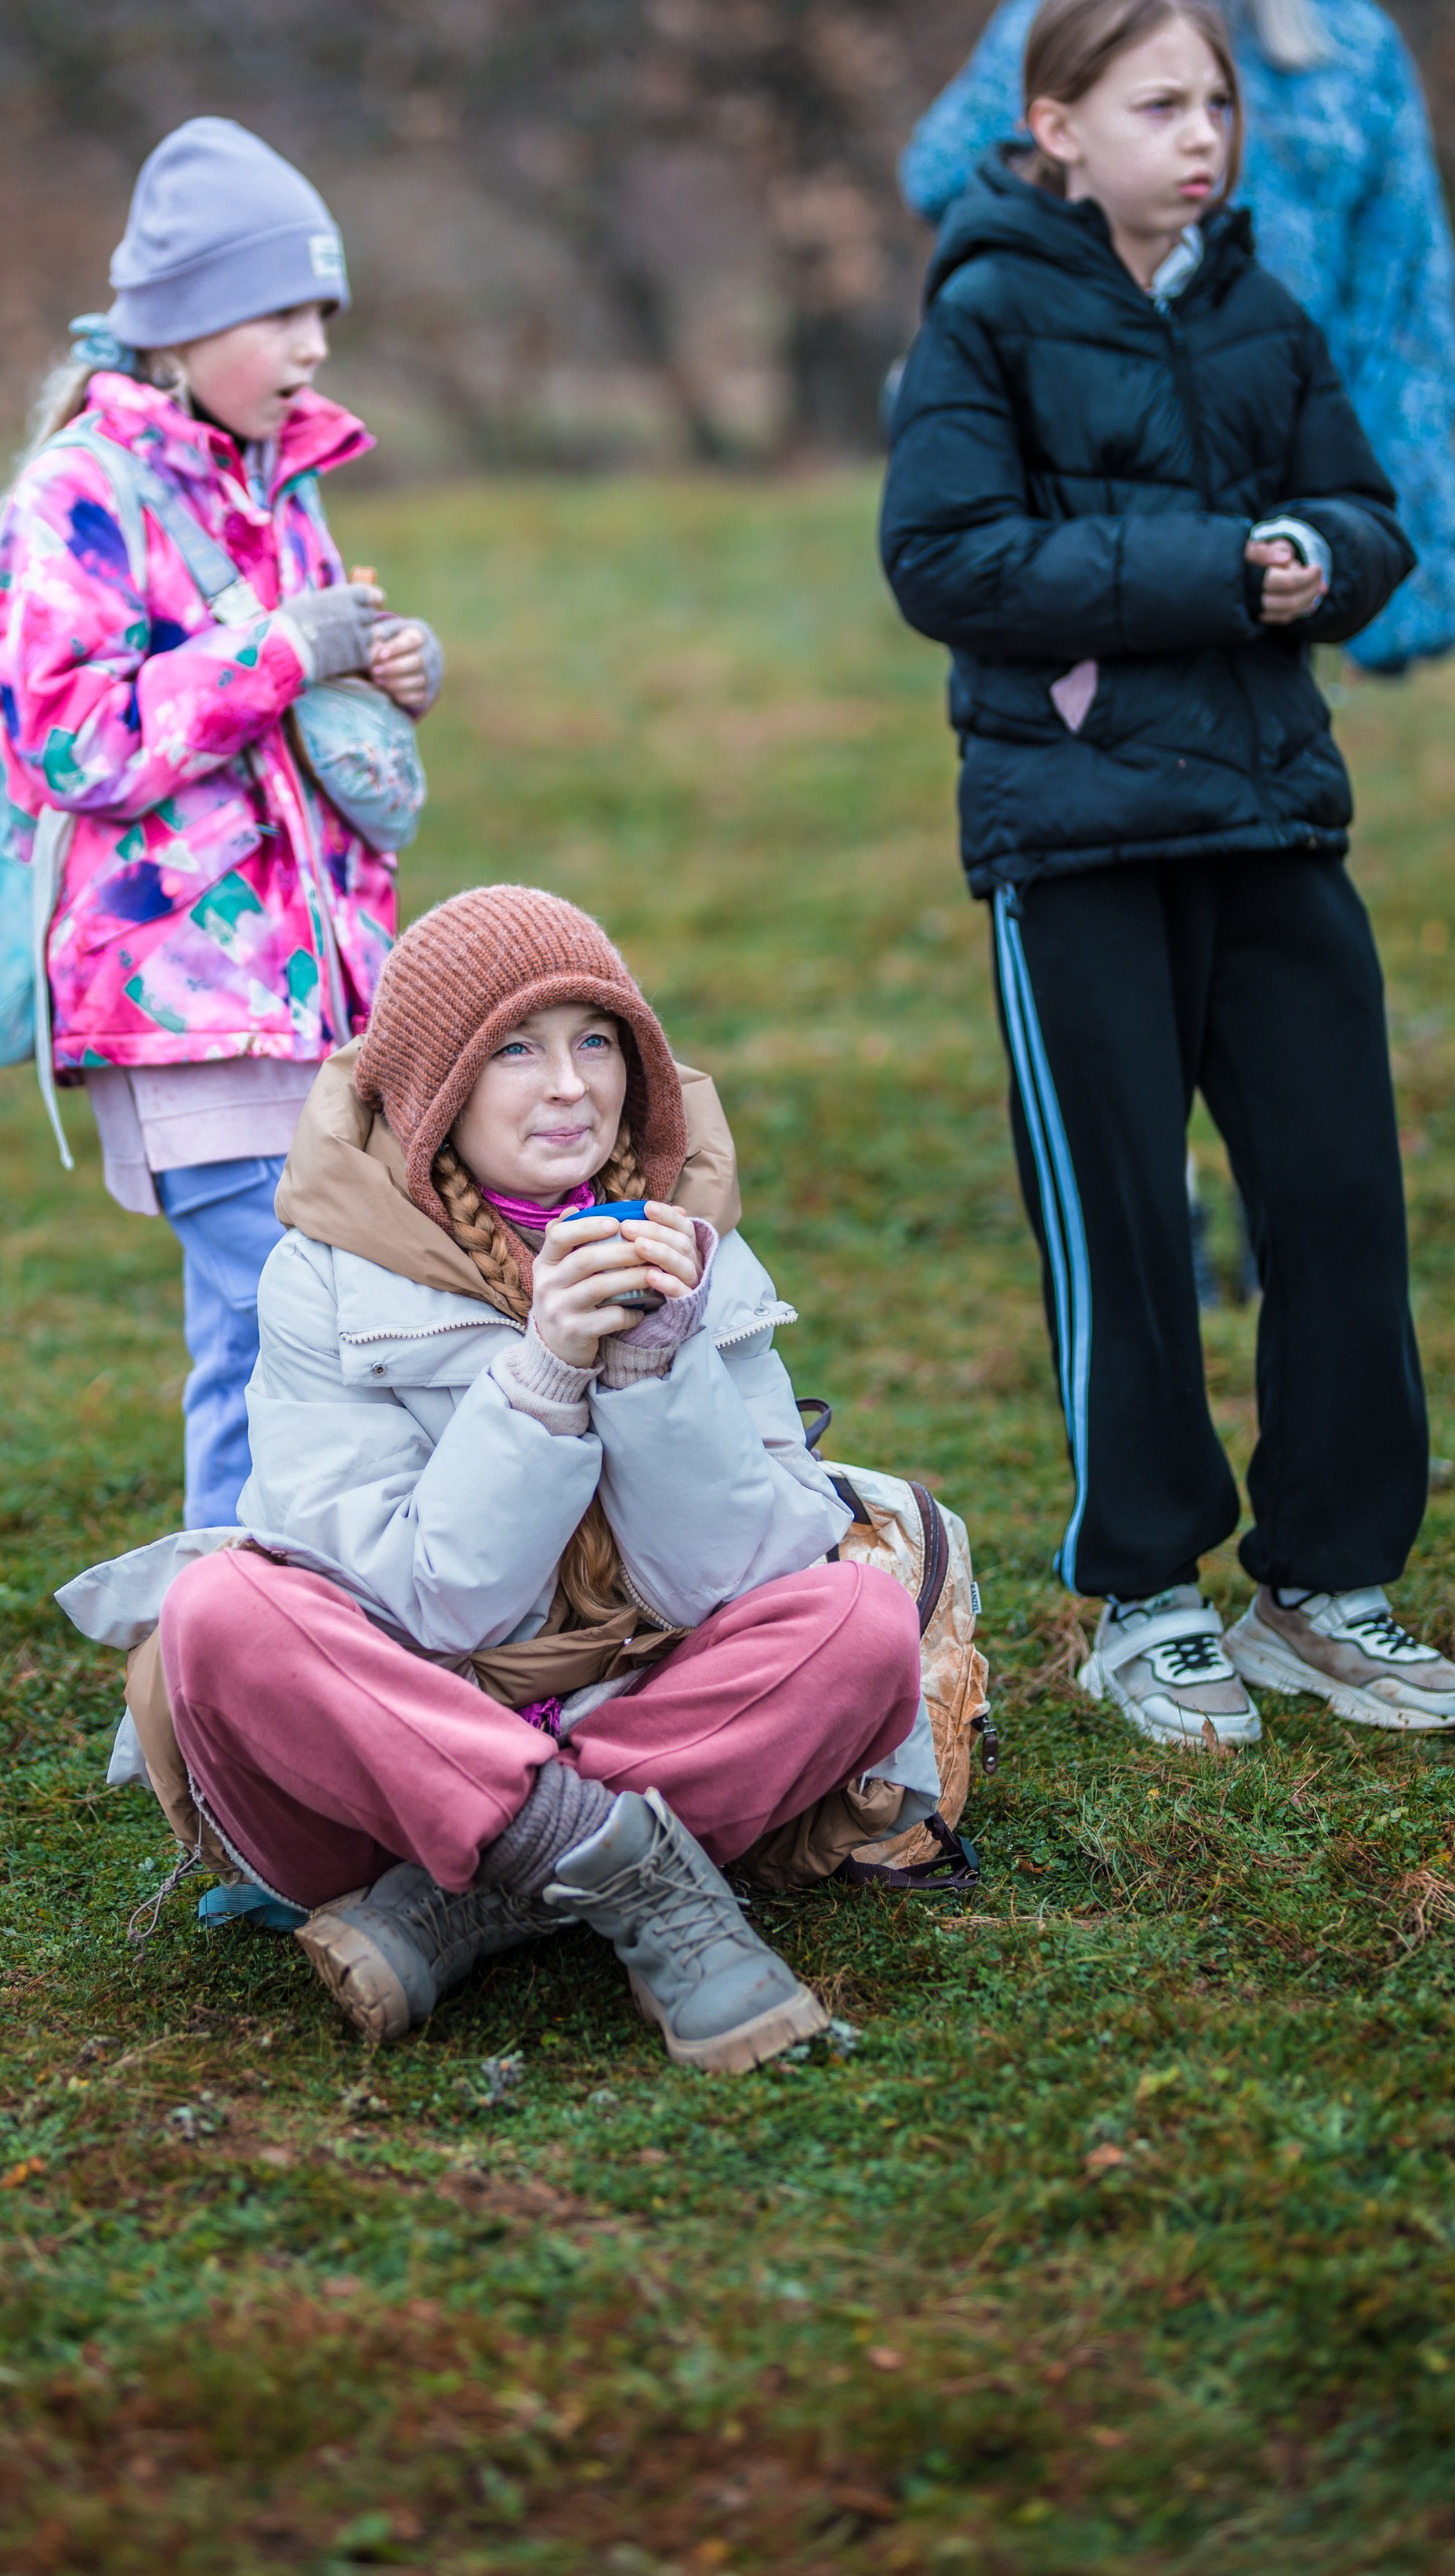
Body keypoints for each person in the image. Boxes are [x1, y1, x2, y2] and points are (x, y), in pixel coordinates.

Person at [879, 0, 1455, 1748]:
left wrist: (1312, 546)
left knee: (1333, 1200)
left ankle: (1323, 1585)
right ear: (1056, 130)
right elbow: (944, 562)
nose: (1202, 137)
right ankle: (1144, 1597)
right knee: (1123, 1228)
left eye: (1213, 104)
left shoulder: (1263, 312)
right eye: (1160, 106)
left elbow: (1369, 516)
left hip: (1272, 818)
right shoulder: (979, 315)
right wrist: (1219, 570)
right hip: (1070, 847)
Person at [145, 886, 937, 2073]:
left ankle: (468, 1897)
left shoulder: (688, 1240)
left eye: (597, 1041)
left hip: (636, 1704)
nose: (570, 1086)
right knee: (215, 1614)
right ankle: (621, 1862)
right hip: (388, 1761)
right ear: (432, 1092)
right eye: (515, 1048)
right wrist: (547, 1372)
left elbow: (724, 1584)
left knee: (861, 1623)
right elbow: (432, 1607)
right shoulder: (322, 1276)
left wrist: (654, 1368)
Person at [0, 118, 441, 1526]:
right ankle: (226, 1671)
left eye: (324, 313)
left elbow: (294, 691)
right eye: (280, 314)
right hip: (177, 991)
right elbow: (59, 734)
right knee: (265, 1328)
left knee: (325, 1317)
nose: (312, 346)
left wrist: (388, 666)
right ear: (179, 329)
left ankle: (318, 1625)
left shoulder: (275, 479)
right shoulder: (81, 492)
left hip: (317, 993)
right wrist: (290, 652)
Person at [900, 0, 1455, 675]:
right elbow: (937, 178)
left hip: (1286, 432)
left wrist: (1404, 549)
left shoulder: (1351, 43)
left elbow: (1404, 288)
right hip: (1102, 447)